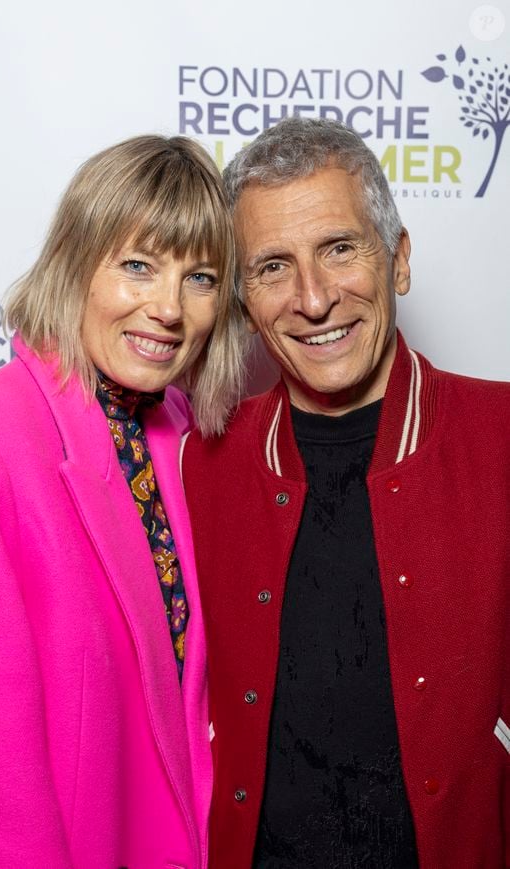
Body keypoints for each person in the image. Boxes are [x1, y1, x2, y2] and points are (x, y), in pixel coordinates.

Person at [182, 118, 510, 869]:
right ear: (243, 298)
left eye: (339, 248)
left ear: (397, 259)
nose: (314, 298)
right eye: (272, 266)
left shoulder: (501, 437)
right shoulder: (201, 463)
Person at [0, 134, 245, 868]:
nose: (168, 308)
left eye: (199, 277)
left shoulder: (183, 432)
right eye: (138, 265)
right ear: (76, 262)